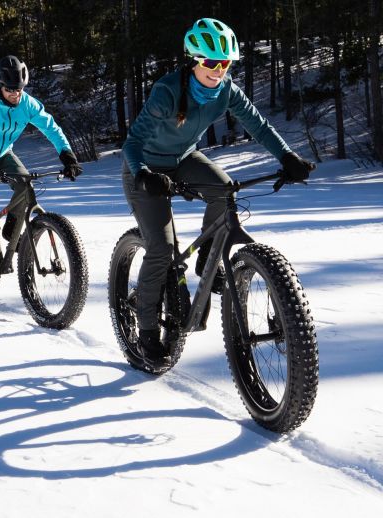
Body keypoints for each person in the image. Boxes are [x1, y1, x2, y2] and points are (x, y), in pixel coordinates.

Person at [123, 18, 315, 364]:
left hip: (182, 159)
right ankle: (147, 330)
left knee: (225, 189)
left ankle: (207, 252)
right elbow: (132, 144)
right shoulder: (167, 92)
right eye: (211, 62)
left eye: (225, 63)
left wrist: (287, 156)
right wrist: (144, 174)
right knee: (162, 247)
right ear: (194, 60)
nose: (218, 70)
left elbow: (258, 124)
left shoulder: (226, 89)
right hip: (145, 168)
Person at [0, 55, 82, 288]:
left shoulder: (27, 104)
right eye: (10, 90)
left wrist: (67, 154)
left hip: (4, 155)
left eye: (19, 89)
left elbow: (51, 128)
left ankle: (11, 228)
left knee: (26, 184)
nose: (15, 94)